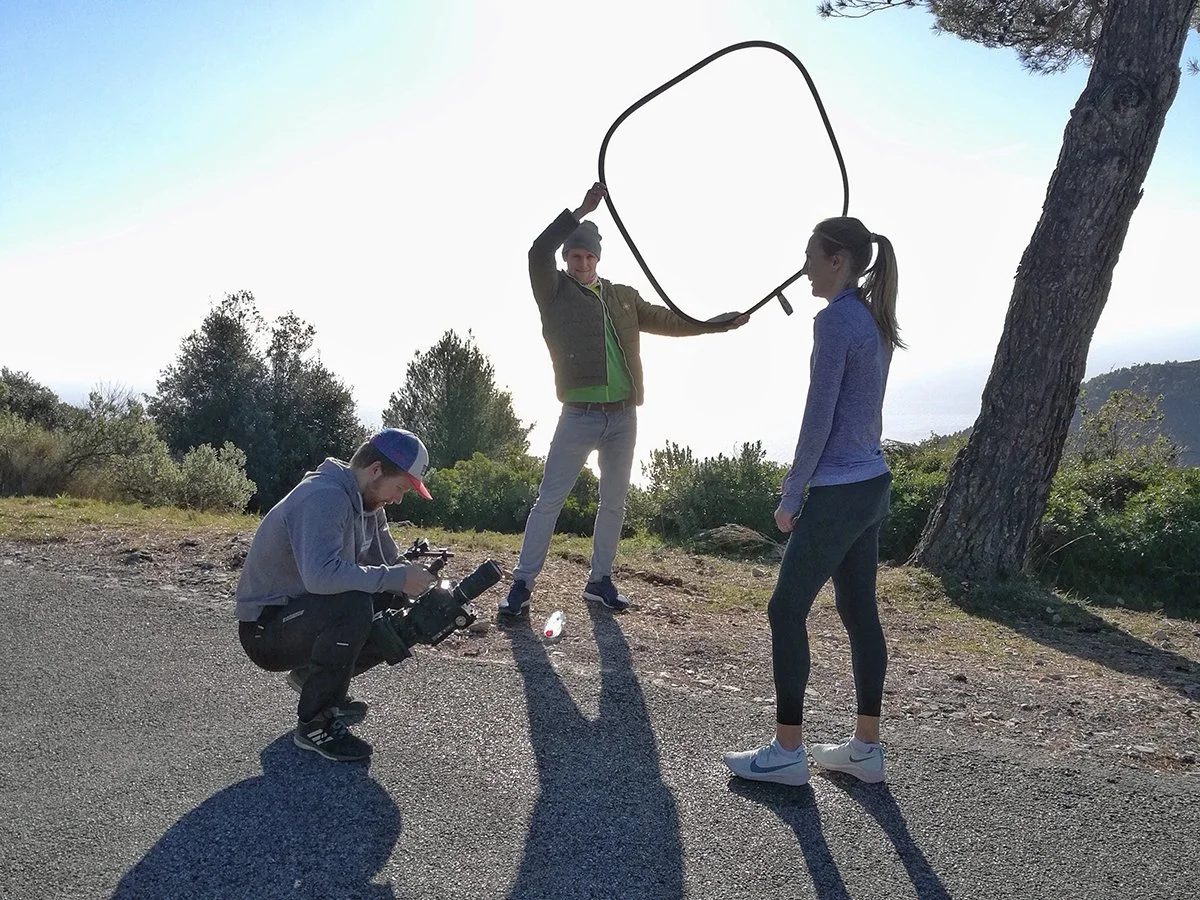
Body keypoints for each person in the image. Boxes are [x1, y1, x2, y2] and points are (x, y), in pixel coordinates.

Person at [499, 181, 747, 617]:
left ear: (598, 258)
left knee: (614, 502)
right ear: (567, 257)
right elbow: (537, 251)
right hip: (578, 414)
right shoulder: (552, 290)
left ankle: (599, 581)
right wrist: (579, 210)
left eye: (589, 256)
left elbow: (670, 321)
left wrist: (716, 325)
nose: (582, 262)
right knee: (549, 500)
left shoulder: (623, 297)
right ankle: (521, 583)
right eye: (575, 255)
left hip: (623, 416)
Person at [724, 216, 903, 786]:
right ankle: (866, 749)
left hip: (839, 490)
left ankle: (787, 752)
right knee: (858, 612)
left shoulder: (834, 323)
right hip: (873, 483)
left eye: (809, 255)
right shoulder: (874, 318)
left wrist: (791, 491)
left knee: (785, 609)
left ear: (836, 260)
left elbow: (818, 415)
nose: (802, 267)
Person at [235, 428, 438, 762]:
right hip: (265, 630)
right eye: (400, 487)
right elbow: (320, 576)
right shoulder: (324, 496)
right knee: (353, 603)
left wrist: (421, 584)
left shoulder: (370, 505)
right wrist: (395, 576)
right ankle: (315, 722)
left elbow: (389, 566)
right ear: (375, 471)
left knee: (395, 600)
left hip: (303, 617)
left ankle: (313, 680)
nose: (399, 498)